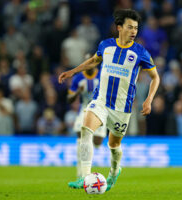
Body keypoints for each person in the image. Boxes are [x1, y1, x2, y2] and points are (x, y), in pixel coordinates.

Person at [58, 9, 160, 191]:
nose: (134, 31)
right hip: (101, 101)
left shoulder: (140, 52)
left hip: (122, 108)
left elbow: (155, 77)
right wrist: (73, 71)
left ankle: (114, 172)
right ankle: (84, 177)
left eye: (136, 28)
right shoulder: (106, 45)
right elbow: (93, 61)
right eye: (130, 27)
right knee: (85, 130)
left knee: (114, 146)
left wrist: (149, 100)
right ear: (119, 28)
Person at [67, 53, 107, 179]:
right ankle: (81, 174)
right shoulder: (78, 78)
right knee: (81, 138)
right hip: (84, 110)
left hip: (100, 109)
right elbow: (69, 99)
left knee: (97, 142)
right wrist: (78, 91)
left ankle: (88, 154)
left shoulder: (102, 75)